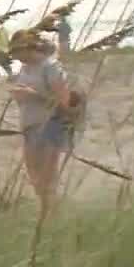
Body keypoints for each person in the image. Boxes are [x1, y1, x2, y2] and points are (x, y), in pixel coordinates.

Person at [8, 29, 78, 218]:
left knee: (47, 177)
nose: (14, 57)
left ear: (27, 48)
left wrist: (33, 95)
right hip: (30, 126)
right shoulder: (25, 68)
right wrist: (19, 95)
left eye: (16, 52)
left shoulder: (50, 67)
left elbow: (64, 102)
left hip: (51, 125)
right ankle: (48, 214)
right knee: (35, 176)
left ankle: (52, 216)